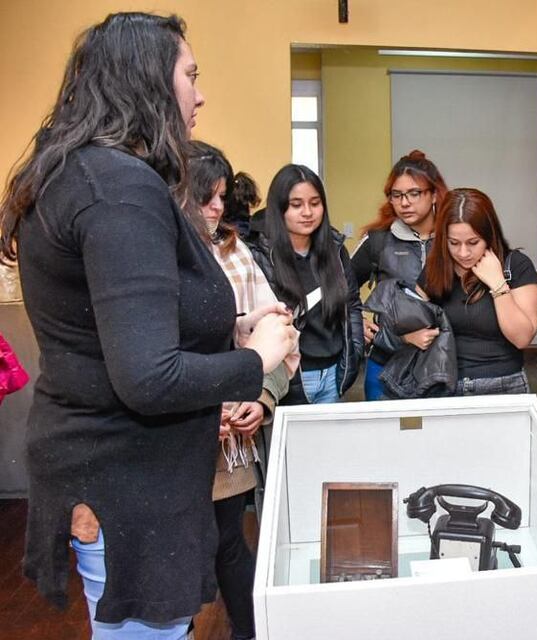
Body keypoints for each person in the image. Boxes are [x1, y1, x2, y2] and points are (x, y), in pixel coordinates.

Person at [0, 12, 297, 638]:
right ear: (148, 80)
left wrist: (233, 328)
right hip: (128, 481)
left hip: (107, 468)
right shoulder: (120, 188)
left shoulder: (78, 173)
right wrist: (258, 360)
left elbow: (113, 324)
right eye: (191, 75)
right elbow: (148, 377)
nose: (200, 94)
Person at [185, 141, 297, 640]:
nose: (216, 209)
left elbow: (282, 338)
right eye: (204, 197)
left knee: (229, 540)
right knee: (181, 548)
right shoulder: (151, 256)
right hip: (175, 433)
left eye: (221, 197)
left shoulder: (235, 252)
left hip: (230, 435)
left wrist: (260, 397)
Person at [251, 164, 364, 404]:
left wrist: (354, 353)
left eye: (315, 203)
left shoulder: (335, 250)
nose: (307, 212)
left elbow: (352, 304)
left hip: (333, 375)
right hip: (288, 378)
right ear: (279, 208)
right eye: (296, 205)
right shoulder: (261, 255)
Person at [415, 187, 537, 396]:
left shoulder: (516, 266)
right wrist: (411, 335)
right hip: (445, 383)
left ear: (489, 236)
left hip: (504, 384)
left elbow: (522, 338)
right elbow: (412, 323)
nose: (463, 253)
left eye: (473, 242)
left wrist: (498, 284)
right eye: (454, 243)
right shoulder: (436, 268)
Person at [350, 150, 449, 400]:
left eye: (414, 193)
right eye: (397, 195)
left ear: (434, 194)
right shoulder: (378, 240)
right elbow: (338, 287)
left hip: (442, 363)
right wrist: (357, 321)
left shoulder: (453, 241)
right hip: (386, 363)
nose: (405, 203)